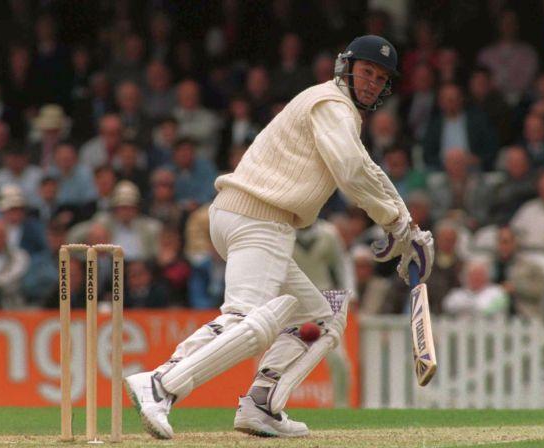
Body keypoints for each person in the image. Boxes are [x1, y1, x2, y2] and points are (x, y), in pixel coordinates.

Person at [125, 35, 434, 440]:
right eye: (367, 71)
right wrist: (397, 225)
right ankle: (161, 384)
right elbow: (351, 169)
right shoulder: (332, 103)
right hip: (263, 219)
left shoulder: (332, 107)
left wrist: (406, 226)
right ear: (347, 66)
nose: (372, 82)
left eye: (380, 78)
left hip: (240, 214)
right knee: (246, 318)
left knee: (322, 316)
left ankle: (262, 404)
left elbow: (365, 168)